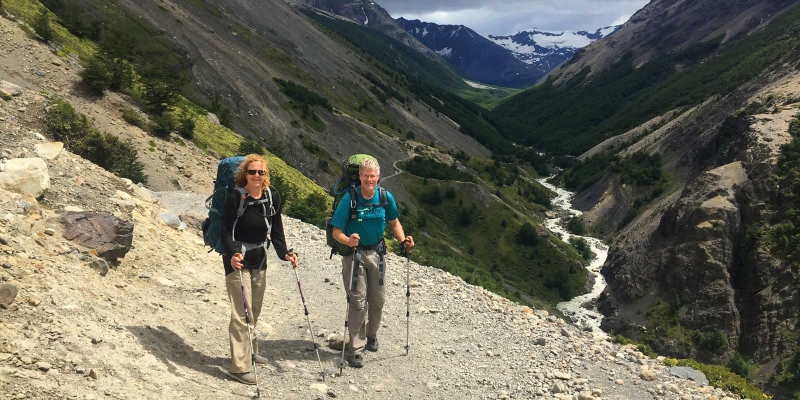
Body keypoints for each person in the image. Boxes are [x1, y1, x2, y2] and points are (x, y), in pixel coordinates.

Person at [221, 154, 299, 385]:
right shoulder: (236, 196)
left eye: (260, 172)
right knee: (241, 314)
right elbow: (225, 230)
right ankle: (239, 367)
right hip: (238, 260)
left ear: (266, 175)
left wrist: (284, 252)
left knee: (253, 309)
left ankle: (251, 351)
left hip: (259, 258)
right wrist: (232, 254)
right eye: (252, 172)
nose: (256, 176)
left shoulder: (271, 196)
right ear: (245, 173)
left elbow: (276, 228)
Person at [330, 157, 414, 368]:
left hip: (378, 255)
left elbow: (394, 222)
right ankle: (356, 349)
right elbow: (336, 231)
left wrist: (403, 240)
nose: (369, 179)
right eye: (365, 175)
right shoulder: (349, 199)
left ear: (378, 177)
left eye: (372, 176)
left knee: (378, 300)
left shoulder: (385, 197)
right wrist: (348, 241)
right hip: (355, 256)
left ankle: (371, 335)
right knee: (358, 302)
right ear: (359, 177)